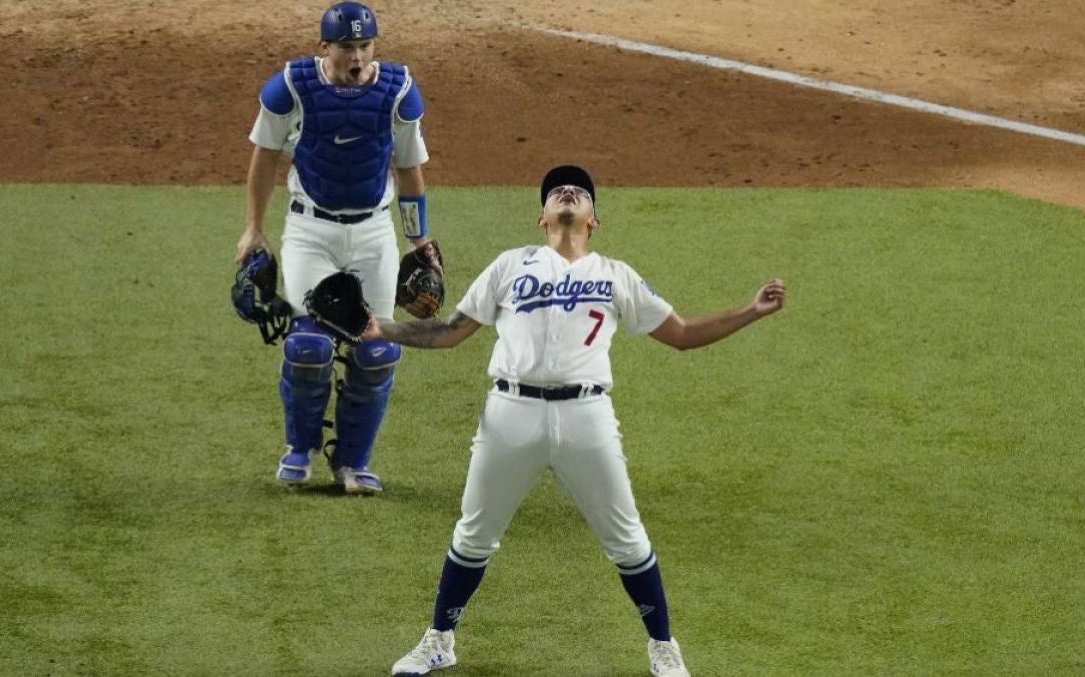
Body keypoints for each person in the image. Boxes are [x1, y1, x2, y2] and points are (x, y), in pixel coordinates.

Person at [366, 165, 787, 676]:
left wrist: (751, 311)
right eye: (558, 193)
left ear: (594, 220)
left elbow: (681, 333)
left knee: (626, 539)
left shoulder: (616, 275)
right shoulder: (508, 266)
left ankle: (663, 646)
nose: (568, 194)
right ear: (541, 217)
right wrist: (379, 328)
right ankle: (439, 639)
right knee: (473, 535)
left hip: (587, 415)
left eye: (580, 193)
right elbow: (451, 330)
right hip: (509, 413)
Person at [234, 2, 439, 495]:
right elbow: (263, 159)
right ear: (324, 46)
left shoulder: (397, 94)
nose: (357, 56)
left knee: (377, 350)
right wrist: (253, 229)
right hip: (311, 232)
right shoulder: (291, 88)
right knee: (308, 347)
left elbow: (410, 169)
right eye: (347, 46)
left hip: (373, 233)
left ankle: (352, 463)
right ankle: (299, 450)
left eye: (365, 45)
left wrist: (419, 239)